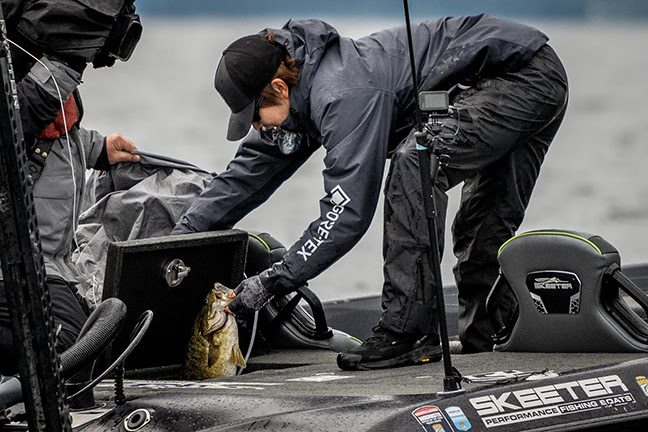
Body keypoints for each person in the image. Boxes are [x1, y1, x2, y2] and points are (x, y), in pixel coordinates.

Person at [172, 15, 568, 370]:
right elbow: (243, 177)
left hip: (523, 75)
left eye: (255, 116)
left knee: (416, 161)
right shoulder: (298, 93)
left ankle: (407, 332)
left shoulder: (342, 94)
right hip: (513, 73)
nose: (257, 128)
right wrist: (177, 241)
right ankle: (485, 341)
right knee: (481, 226)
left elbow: (345, 214)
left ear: (278, 87)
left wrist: (271, 282)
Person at [0, 0, 142, 374]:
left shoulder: (36, 67)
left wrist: (98, 148)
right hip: (16, 265)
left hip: (52, 260)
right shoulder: (34, 78)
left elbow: (51, 135)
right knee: (71, 348)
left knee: (102, 340)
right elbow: (14, 125)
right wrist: (63, 67)